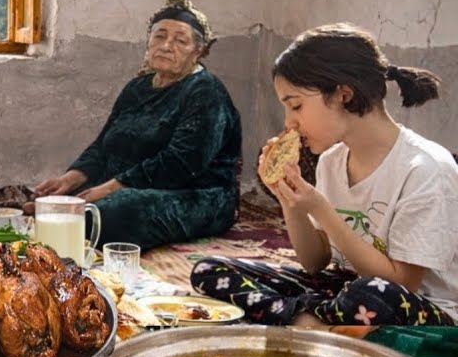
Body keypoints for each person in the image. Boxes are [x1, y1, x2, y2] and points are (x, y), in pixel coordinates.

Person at [190, 23, 458, 328]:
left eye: (296, 106)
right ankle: (312, 321)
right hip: (344, 291)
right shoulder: (331, 161)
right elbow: (315, 263)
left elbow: (402, 283)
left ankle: (300, 319)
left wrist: (321, 209)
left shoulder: (425, 168)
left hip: (415, 311)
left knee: (367, 294)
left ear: (343, 94)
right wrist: (288, 198)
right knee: (210, 269)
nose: (289, 123)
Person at [33, 0, 242, 249]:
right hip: (132, 184)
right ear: (149, 41)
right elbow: (104, 145)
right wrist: (70, 179)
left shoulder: (206, 92)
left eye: (180, 40)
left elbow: (181, 164)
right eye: (160, 36)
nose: (166, 46)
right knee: (58, 196)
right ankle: (67, 215)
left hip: (195, 194)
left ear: (198, 51)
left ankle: (67, 218)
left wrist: (110, 189)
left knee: (118, 212)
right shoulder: (137, 87)